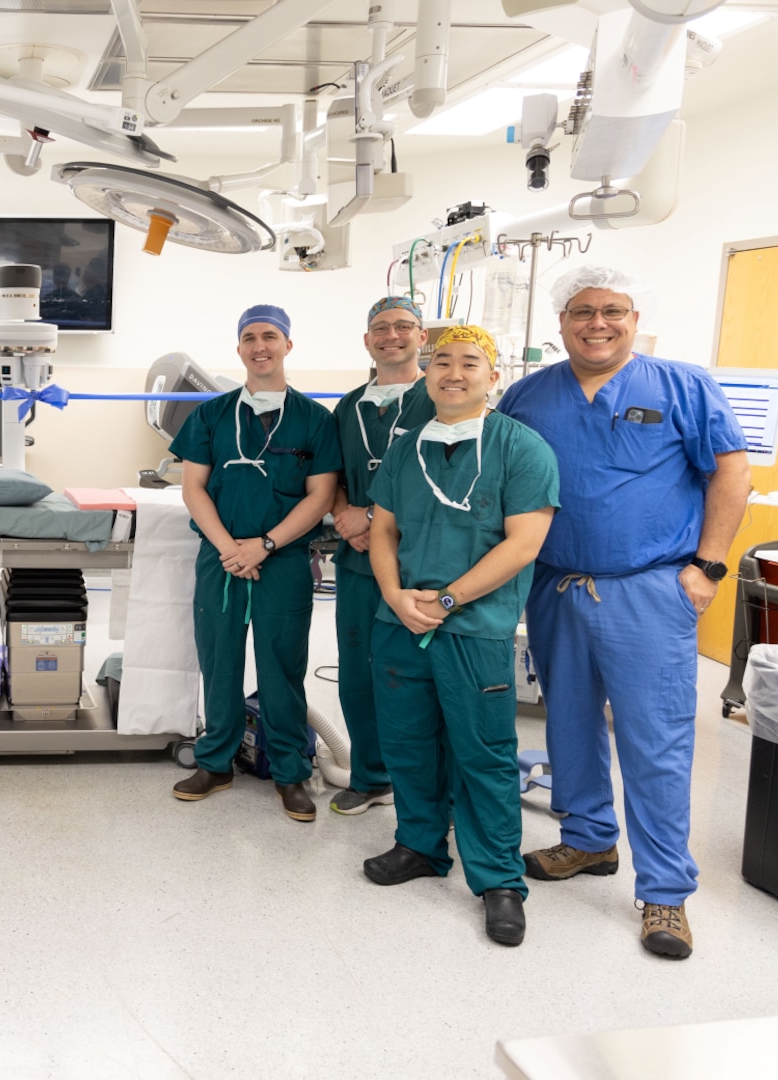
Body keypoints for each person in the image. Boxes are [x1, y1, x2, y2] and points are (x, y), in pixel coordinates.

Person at [497, 266, 751, 959]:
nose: (597, 323)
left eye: (613, 310)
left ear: (635, 318)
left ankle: (665, 893)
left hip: (649, 588)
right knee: (569, 724)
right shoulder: (526, 397)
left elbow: (732, 471)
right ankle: (586, 840)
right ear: (561, 323)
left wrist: (707, 568)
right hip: (557, 586)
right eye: (582, 311)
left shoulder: (682, 386)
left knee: (656, 738)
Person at [363, 325, 559, 947]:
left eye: (469, 362)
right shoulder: (405, 449)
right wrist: (396, 596)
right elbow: (384, 531)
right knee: (408, 742)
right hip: (402, 621)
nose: (453, 372)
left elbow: (524, 542)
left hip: (474, 627)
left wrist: (448, 599)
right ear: (425, 375)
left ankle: (499, 879)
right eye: (440, 361)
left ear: (492, 375)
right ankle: (420, 844)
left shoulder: (522, 449)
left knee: (483, 753)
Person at [167, 304, 342, 820]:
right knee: (219, 661)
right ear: (238, 348)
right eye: (250, 337)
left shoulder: (314, 419)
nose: (260, 346)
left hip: (282, 561)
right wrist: (229, 547)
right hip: (220, 559)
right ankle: (215, 761)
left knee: (282, 666)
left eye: (270, 336)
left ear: (288, 345)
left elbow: (320, 496)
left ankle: (289, 771)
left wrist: (262, 545)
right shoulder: (210, 414)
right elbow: (194, 487)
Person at [328, 296, 435, 816]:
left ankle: (429, 787)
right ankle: (370, 775)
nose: (391, 336)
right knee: (358, 670)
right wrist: (346, 513)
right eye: (379, 328)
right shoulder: (349, 406)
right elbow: (332, 476)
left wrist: (373, 518)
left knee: (415, 674)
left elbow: (444, 478)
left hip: (417, 560)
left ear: (421, 336)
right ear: (367, 340)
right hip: (355, 561)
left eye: (402, 327)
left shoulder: (439, 397)